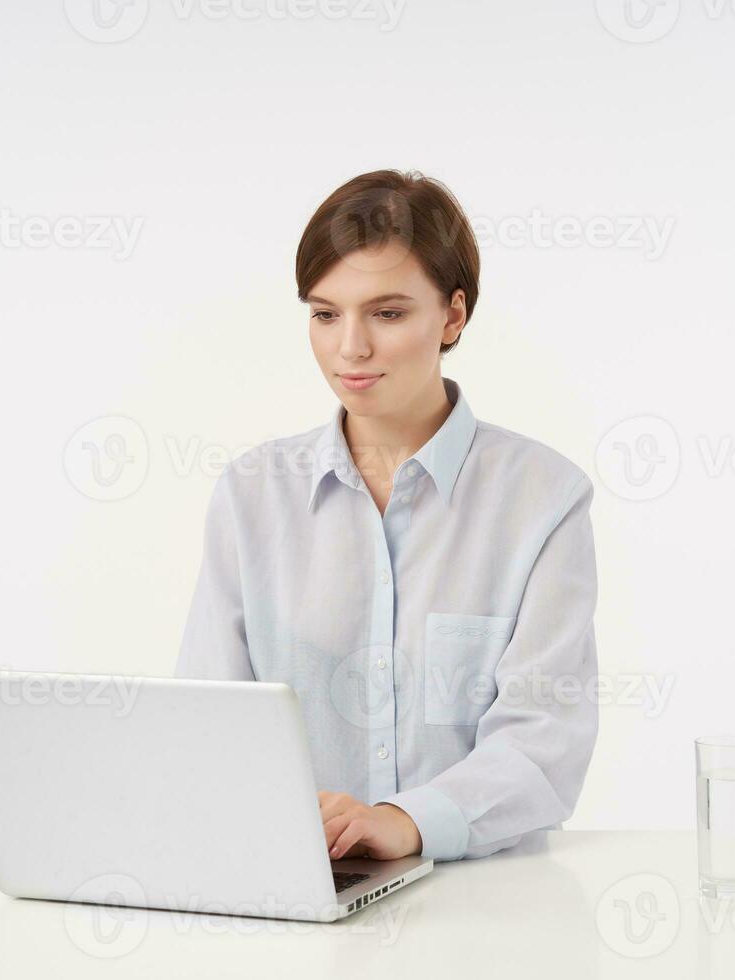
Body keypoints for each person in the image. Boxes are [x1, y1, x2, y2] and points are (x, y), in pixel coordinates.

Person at [176, 169, 599, 863]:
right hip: (296, 887)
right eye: (325, 313)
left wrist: (404, 821)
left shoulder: (543, 500)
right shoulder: (251, 496)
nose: (351, 349)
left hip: (485, 907)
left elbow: (544, 742)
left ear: (453, 316)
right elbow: (206, 726)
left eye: (389, 313)